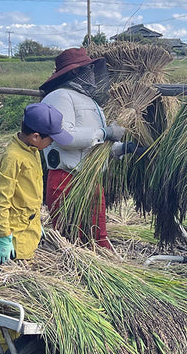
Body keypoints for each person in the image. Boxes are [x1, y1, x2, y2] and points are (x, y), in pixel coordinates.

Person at [39, 48, 129, 250]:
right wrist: (105, 133)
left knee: (97, 237)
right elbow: (65, 137)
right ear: (73, 72)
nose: (91, 73)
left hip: (90, 179)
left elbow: (94, 145)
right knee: (72, 241)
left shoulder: (91, 101)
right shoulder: (60, 97)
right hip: (67, 178)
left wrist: (121, 148)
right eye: (86, 69)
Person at [0, 102, 73, 263]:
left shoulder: (33, 150)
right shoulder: (13, 157)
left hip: (30, 226)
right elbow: (1, 200)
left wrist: (36, 223)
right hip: (16, 235)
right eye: (51, 139)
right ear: (36, 136)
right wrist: (4, 237)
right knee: (19, 277)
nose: (52, 142)